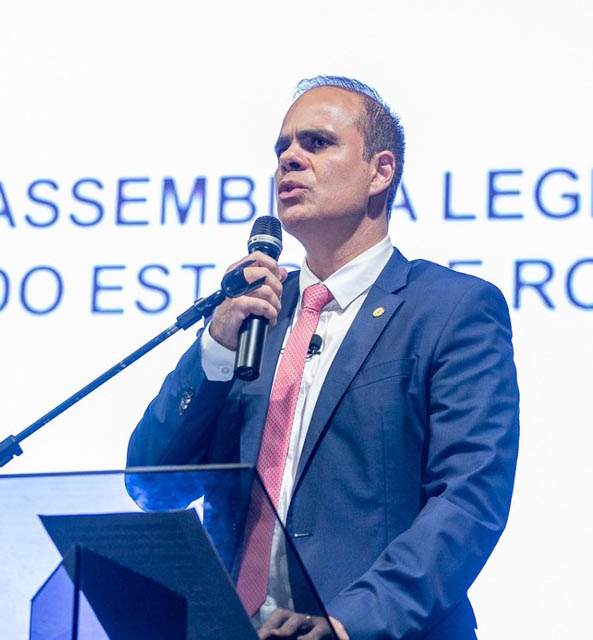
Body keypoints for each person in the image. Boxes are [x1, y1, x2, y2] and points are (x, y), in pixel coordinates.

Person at [126, 75, 520, 640]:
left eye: (316, 143)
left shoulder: (452, 309)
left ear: (380, 172)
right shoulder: (252, 317)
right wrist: (213, 350)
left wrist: (348, 623)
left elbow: (468, 501)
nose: (289, 159)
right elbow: (152, 485)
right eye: (281, 148)